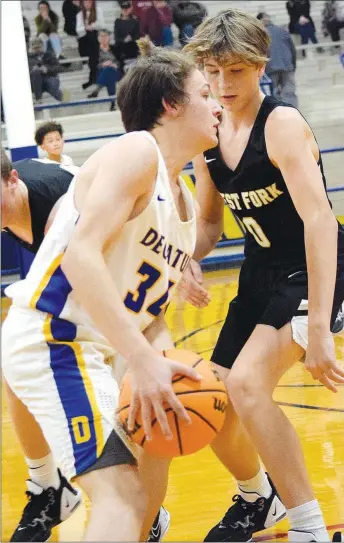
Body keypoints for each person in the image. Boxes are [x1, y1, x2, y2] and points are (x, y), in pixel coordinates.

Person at [2, 38, 221, 541]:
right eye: (205, 93)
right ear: (170, 105)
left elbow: (153, 316)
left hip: (90, 353)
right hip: (53, 340)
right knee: (121, 497)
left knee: (137, 496)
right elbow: (80, 255)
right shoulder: (136, 150)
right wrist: (142, 361)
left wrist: (164, 368)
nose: (216, 106)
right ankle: (49, 488)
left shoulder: (180, 202)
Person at [184, 9, 344, 542]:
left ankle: (309, 527)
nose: (223, 84)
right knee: (214, 392)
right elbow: (209, 224)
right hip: (260, 269)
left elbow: (320, 221)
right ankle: (258, 498)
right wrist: (183, 259)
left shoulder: (282, 124)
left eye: (235, 71)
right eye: (213, 71)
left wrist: (320, 327)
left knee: (250, 384)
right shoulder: (207, 132)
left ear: (259, 66)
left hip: (312, 265)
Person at [1, 148, 169, 542]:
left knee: (135, 412)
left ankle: (148, 512)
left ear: (13, 182)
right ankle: (49, 486)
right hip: (96, 292)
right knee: (16, 364)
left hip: (126, 287)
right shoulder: (14, 202)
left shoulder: (56, 204)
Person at [257, 12, 298, 107]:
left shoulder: (260, 34)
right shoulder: (282, 30)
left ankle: (277, 114)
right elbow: (292, 49)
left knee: (273, 93)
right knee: (289, 92)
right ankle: (292, 113)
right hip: (287, 65)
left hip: (270, 67)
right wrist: (293, 65)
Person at [87, 29, 122, 111]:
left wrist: (115, 65)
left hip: (116, 71)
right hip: (100, 72)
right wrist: (102, 64)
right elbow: (91, 64)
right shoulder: (94, 50)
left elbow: (121, 61)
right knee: (109, 72)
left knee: (110, 70)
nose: (103, 38)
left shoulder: (115, 48)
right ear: (98, 38)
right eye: (101, 36)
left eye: (105, 36)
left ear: (109, 37)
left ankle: (97, 90)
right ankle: (113, 103)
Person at [28, 37, 69, 104]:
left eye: (38, 47)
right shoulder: (28, 59)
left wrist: (47, 69)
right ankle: (38, 99)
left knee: (52, 86)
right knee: (35, 73)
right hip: (35, 81)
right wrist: (33, 70)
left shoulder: (49, 55)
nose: (37, 50)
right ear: (31, 48)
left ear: (42, 46)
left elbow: (58, 67)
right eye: (35, 48)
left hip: (50, 77)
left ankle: (67, 98)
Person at [76, 0, 105, 90]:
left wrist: (91, 26)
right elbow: (78, 29)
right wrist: (85, 27)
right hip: (85, 39)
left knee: (93, 37)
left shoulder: (98, 11)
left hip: (96, 37)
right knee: (85, 39)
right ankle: (92, 78)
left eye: (89, 2)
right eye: (86, 2)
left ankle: (91, 80)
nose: (87, 4)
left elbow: (101, 24)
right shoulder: (80, 14)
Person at [114, 1, 140, 69]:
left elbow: (137, 36)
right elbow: (116, 37)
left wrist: (131, 38)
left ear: (130, 9)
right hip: (121, 48)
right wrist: (124, 39)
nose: (125, 10)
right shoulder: (117, 21)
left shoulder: (135, 21)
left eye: (127, 8)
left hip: (132, 47)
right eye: (123, 8)